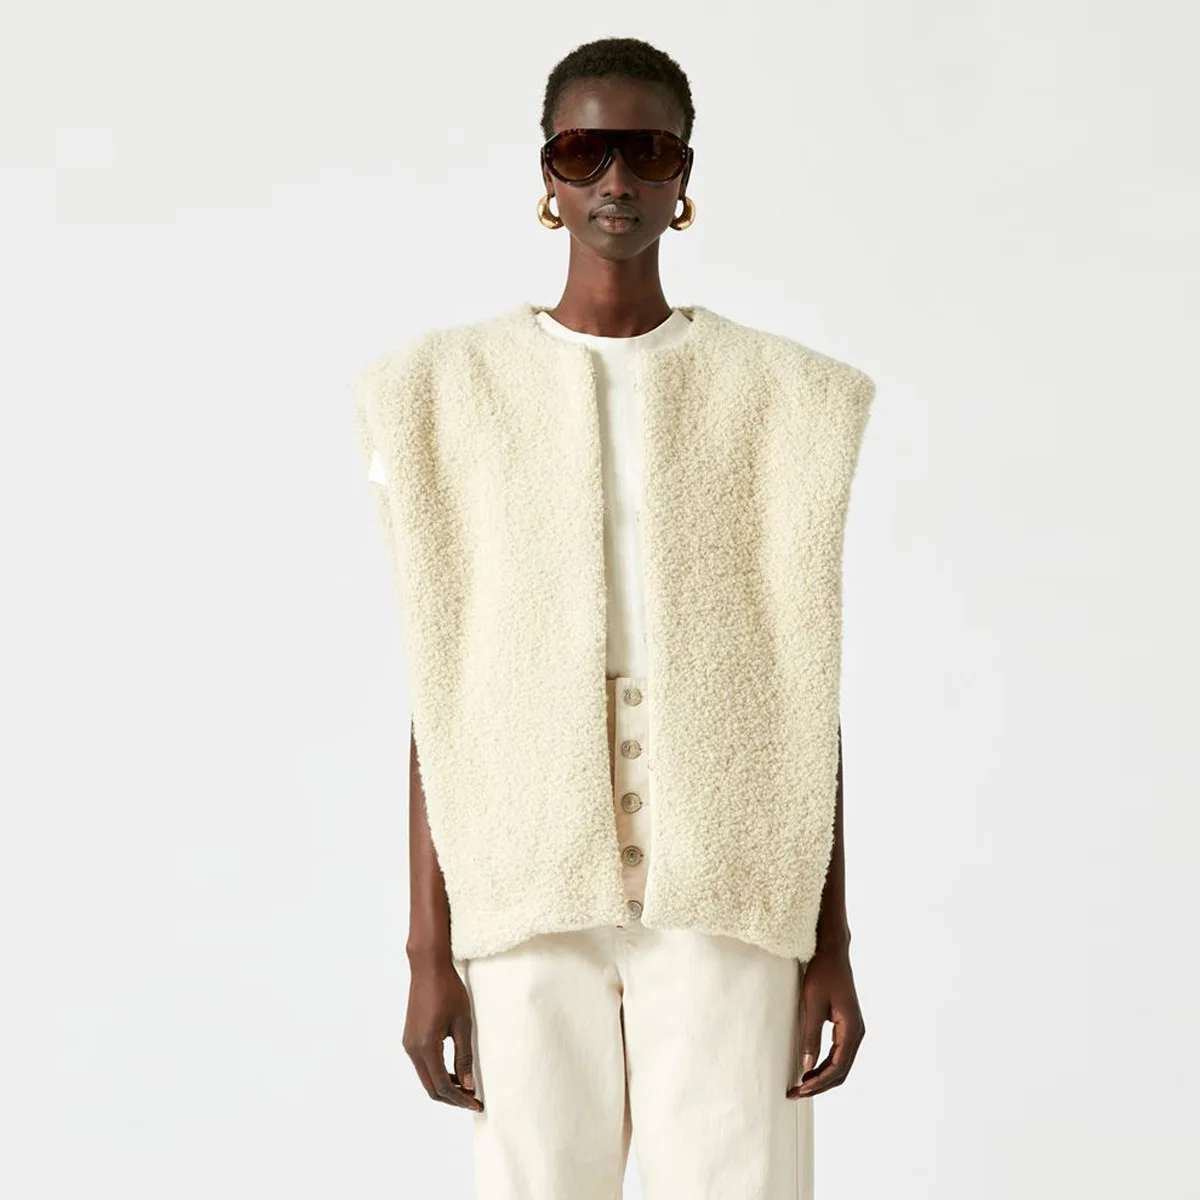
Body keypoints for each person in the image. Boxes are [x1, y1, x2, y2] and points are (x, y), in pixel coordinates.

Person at [353, 35, 874, 1200]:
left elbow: (803, 690)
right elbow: (443, 687)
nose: (617, 181)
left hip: (734, 876)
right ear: (547, 173)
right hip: (522, 871)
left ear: (686, 173)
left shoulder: (787, 399)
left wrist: (829, 938)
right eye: (584, 152)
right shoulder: (440, 396)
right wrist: (429, 951)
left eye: (647, 151)